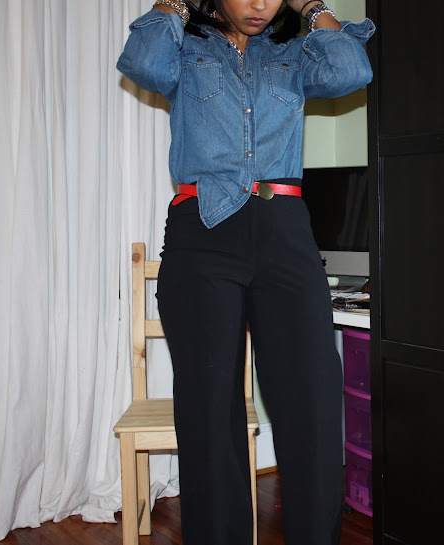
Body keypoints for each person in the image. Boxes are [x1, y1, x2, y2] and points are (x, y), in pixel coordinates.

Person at [116, 1, 374, 544]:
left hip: (285, 230)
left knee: (311, 398)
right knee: (210, 408)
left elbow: (351, 70)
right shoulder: (186, 48)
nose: (261, 4)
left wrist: (312, 8)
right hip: (203, 230)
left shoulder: (292, 54)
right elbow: (143, 62)